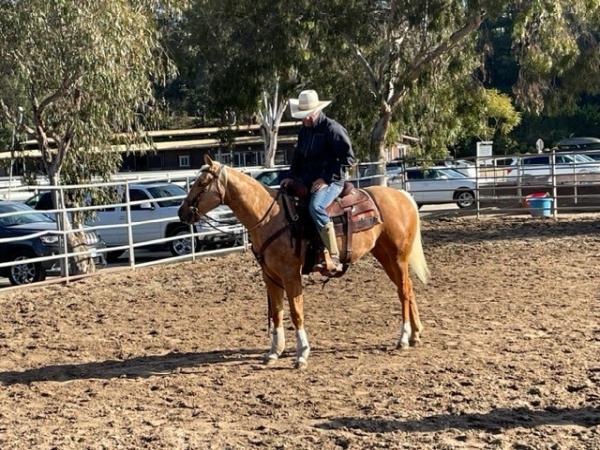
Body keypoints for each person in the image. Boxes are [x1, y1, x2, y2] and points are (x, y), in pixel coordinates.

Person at [281, 89, 355, 274]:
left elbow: (348, 159)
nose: (304, 120)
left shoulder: (333, 129)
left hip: (332, 181)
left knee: (316, 207)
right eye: (302, 116)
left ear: (316, 111)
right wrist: (291, 177)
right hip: (307, 180)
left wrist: (326, 178)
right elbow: (298, 159)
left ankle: (334, 254)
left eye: (306, 116)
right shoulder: (304, 132)